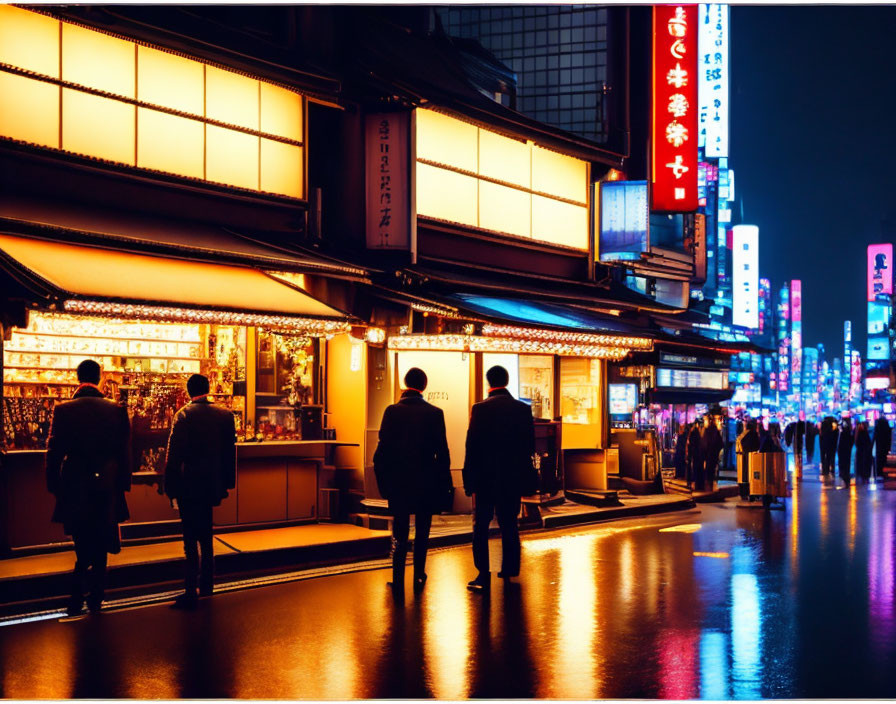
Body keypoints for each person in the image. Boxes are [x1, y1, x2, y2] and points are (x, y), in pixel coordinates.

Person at [45, 359, 131, 616]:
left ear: (77, 377)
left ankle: (76, 596)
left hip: (75, 482)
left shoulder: (63, 410)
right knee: (103, 538)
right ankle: (96, 596)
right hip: (106, 483)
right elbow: (124, 453)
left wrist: (54, 485)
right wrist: (123, 485)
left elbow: (54, 452)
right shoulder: (116, 410)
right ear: (100, 378)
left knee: (81, 540)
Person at [373, 367, 451, 595]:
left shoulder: (392, 412)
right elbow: (442, 452)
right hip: (426, 481)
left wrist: (383, 481)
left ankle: (397, 576)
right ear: (424, 386)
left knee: (399, 529)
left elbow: (382, 450)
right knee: (423, 529)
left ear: (405, 384)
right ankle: (419, 572)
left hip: (398, 482)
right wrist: (444, 482)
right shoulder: (435, 413)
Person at [164, 374, 237, 609]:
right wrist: (228, 482)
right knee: (206, 535)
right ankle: (207, 585)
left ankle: (190, 589)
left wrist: (170, 485)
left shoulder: (184, 415)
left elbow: (173, 455)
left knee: (189, 538)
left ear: (188, 391)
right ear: (207, 389)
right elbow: (229, 452)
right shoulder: (225, 415)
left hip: (189, 484)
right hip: (212, 483)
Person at [463, 365, 536, 592]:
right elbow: (529, 446)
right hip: (512, 476)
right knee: (509, 523)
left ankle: (483, 574)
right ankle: (510, 567)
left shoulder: (479, 409)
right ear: (506, 381)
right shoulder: (522, 410)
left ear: (488, 382)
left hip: (485, 478)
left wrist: (468, 479)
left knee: (481, 525)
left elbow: (471, 446)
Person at [735, 419, 761, 499]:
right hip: (752, 459)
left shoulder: (743, 435)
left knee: (744, 477)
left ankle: (744, 493)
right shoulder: (754, 434)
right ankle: (753, 494)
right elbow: (757, 445)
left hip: (742, 459)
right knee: (753, 476)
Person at [700, 415, 724, 492]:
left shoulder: (706, 431)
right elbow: (721, 444)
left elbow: (703, 444)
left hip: (708, 455)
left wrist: (704, 453)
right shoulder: (716, 431)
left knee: (708, 470)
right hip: (713, 455)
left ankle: (708, 486)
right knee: (712, 470)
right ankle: (711, 485)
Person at [686, 420, 704, 490]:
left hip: (694, 453)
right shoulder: (696, 432)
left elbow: (690, 444)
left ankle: (692, 483)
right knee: (695, 469)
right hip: (695, 454)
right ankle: (694, 483)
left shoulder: (693, 432)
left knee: (693, 469)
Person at [873, 415, 891, 480]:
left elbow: (874, 438)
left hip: (879, 448)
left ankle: (879, 474)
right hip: (886, 448)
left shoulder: (877, 428)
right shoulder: (888, 428)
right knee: (885, 461)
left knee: (879, 461)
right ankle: (885, 474)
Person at [837, 417, 854, 486]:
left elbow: (840, 443)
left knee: (843, 464)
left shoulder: (843, 433)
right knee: (847, 464)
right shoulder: (850, 432)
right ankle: (846, 479)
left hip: (843, 450)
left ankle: (845, 478)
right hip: (847, 450)